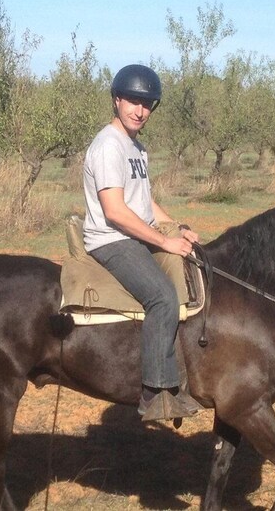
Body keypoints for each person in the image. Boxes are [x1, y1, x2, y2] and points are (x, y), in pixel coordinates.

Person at [82, 64, 202, 421]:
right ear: (117, 100)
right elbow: (116, 212)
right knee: (163, 298)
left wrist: (174, 226)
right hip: (112, 240)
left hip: (133, 233)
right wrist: (164, 245)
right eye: (133, 101)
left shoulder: (135, 146)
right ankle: (155, 393)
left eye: (147, 104)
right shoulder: (108, 146)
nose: (140, 110)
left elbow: (142, 200)